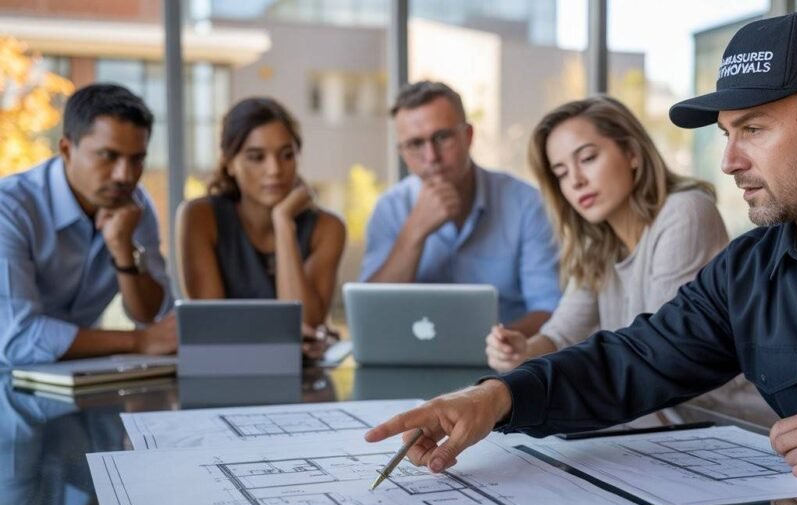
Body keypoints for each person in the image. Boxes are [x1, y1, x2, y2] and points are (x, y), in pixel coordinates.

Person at [366, 13, 797, 481]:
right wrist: (494, 399)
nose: (730, 160)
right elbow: (630, 361)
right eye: (726, 134)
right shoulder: (748, 273)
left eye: (754, 129)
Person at [485, 95, 728, 377]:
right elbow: (561, 336)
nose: (576, 181)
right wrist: (523, 352)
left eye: (587, 158)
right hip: (648, 403)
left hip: (712, 405)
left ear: (632, 153)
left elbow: (659, 349)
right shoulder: (598, 244)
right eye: (561, 173)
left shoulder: (684, 211)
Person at [360, 81, 561, 335]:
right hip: (411, 354)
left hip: (505, 355)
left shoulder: (526, 204)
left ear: (468, 136)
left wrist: (495, 344)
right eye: (415, 144)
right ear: (402, 152)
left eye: (442, 137)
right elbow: (371, 315)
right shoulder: (389, 209)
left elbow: (549, 310)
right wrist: (414, 233)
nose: (431, 157)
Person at [0, 83, 175, 366]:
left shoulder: (135, 206)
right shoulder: (10, 208)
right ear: (67, 150)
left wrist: (124, 251)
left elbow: (152, 316)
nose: (125, 175)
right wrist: (138, 342)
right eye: (108, 156)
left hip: (76, 374)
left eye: (137, 159)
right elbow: (17, 338)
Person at [176, 97, 346, 354]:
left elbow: (305, 325)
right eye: (257, 157)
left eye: (286, 155)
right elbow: (212, 329)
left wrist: (283, 222)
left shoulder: (327, 227)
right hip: (224, 368)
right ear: (229, 163)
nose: (275, 169)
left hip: (302, 374)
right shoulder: (200, 217)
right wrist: (283, 334)